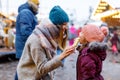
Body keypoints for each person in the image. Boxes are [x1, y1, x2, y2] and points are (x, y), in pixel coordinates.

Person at [16, 5, 75, 80]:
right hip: (29, 76)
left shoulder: (49, 35)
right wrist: (62, 56)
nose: (66, 28)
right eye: (64, 24)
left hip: (39, 75)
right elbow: (42, 68)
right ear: (56, 26)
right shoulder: (37, 40)